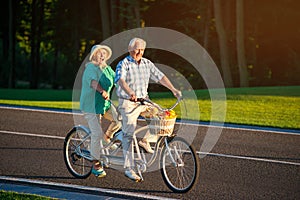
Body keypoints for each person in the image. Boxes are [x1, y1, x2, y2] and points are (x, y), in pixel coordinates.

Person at [115, 37, 182, 181]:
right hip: (128, 102)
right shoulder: (124, 64)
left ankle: (145, 141)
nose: (139, 52)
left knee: (161, 118)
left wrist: (173, 89)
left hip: (144, 101)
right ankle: (128, 168)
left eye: (141, 50)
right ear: (130, 50)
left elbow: (160, 76)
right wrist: (130, 93)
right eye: (136, 49)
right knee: (128, 134)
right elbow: (120, 80)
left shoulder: (147, 63)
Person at [80, 44, 121, 178]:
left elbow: (118, 81)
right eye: (99, 53)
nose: (102, 55)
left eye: (104, 53)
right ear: (94, 56)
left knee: (119, 120)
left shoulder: (108, 69)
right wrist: (102, 91)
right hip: (91, 106)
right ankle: (96, 164)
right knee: (96, 134)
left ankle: (106, 138)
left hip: (104, 104)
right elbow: (93, 83)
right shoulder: (91, 68)